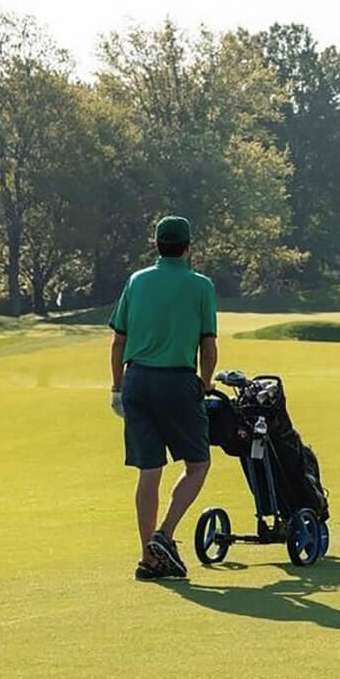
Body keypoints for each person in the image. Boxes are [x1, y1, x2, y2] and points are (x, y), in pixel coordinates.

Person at [108, 215, 218, 580]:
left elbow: (118, 340)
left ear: (157, 245)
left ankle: (148, 560)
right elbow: (208, 345)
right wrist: (205, 383)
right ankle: (164, 536)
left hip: (136, 380)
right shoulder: (201, 285)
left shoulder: (137, 281)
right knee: (197, 464)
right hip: (176, 382)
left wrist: (117, 387)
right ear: (188, 246)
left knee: (149, 471)